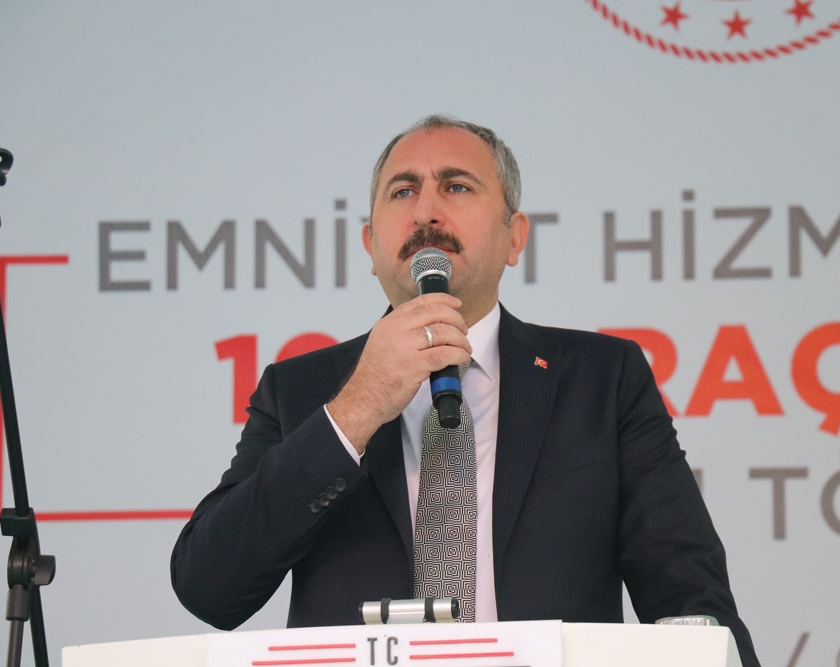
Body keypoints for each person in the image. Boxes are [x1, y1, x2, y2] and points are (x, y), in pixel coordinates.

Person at [171, 115, 760, 666]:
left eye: (456, 187)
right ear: (371, 245)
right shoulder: (301, 391)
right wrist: (357, 408)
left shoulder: (603, 378)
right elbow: (209, 588)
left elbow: (690, 598)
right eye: (403, 191)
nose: (426, 211)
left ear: (514, 237)